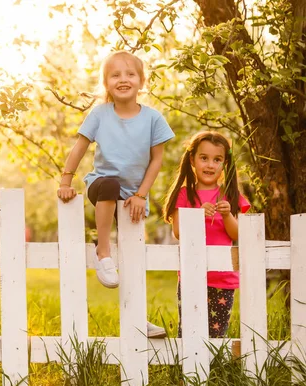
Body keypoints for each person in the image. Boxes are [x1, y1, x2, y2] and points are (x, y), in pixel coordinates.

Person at [57, 50, 175, 338]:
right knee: (109, 184)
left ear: (141, 80)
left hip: (133, 196)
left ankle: (139, 316)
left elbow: (156, 159)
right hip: (102, 186)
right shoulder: (99, 114)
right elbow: (80, 148)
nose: (123, 79)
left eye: (130, 74)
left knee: (134, 257)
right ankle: (103, 250)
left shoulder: (153, 119)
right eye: (115, 75)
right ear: (106, 83)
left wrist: (141, 195)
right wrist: (65, 180)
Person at [163, 131, 250, 338]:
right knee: (189, 330)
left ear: (224, 163)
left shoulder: (230, 196)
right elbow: (177, 232)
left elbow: (238, 234)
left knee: (216, 333)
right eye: (204, 158)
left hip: (223, 277)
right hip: (191, 274)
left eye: (217, 159)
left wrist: (227, 215)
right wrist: (198, 214)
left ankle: (214, 369)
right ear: (192, 159)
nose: (210, 165)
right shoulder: (184, 195)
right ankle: (188, 368)